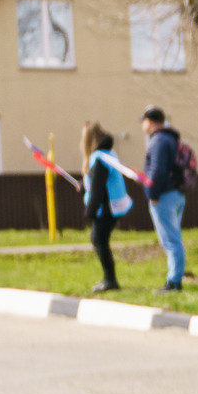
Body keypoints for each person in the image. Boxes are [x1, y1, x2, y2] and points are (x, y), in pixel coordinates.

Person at [80, 122, 135, 294]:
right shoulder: (108, 154)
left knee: (99, 241)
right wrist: (83, 187)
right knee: (98, 240)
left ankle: (110, 280)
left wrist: (89, 211)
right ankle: (109, 278)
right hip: (112, 206)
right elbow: (95, 183)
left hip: (107, 208)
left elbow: (98, 188)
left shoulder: (99, 159)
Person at [141, 108, 188, 291]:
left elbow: (157, 170)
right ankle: (175, 277)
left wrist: (152, 194)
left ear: (150, 121)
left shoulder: (158, 141)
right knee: (174, 237)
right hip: (177, 192)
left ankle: (174, 281)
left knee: (170, 239)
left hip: (164, 195)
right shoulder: (171, 139)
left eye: (144, 121)